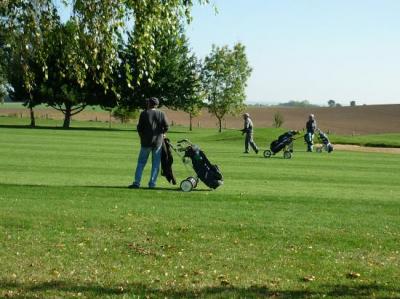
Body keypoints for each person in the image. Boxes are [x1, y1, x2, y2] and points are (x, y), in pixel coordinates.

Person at [129, 97, 169, 189]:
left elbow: (139, 128)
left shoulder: (144, 113)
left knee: (141, 163)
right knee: (155, 164)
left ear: (149, 104)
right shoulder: (161, 113)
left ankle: (136, 183)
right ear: (157, 104)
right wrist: (163, 134)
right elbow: (166, 126)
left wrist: (141, 138)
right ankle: (152, 184)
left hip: (145, 142)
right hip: (158, 142)